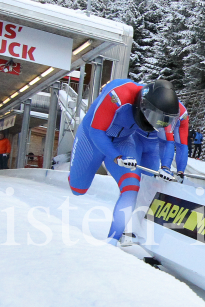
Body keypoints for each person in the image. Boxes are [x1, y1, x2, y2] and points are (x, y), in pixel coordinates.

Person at [68, 78, 179, 243]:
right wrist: (115, 156)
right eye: (153, 117)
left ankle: (112, 239)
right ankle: (76, 174)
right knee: (78, 189)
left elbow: (167, 141)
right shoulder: (119, 95)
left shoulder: (163, 112)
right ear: (143, 106)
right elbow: (96, 132)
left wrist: (166, 166)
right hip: (93, 137)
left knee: (132, 186)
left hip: (123, 141)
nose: (156, 123)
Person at [162, 100, 190, 180]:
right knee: (182, 144)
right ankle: (181, 172)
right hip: (183, 113)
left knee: (168, 140)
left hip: (169, 111)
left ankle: (165, 167)